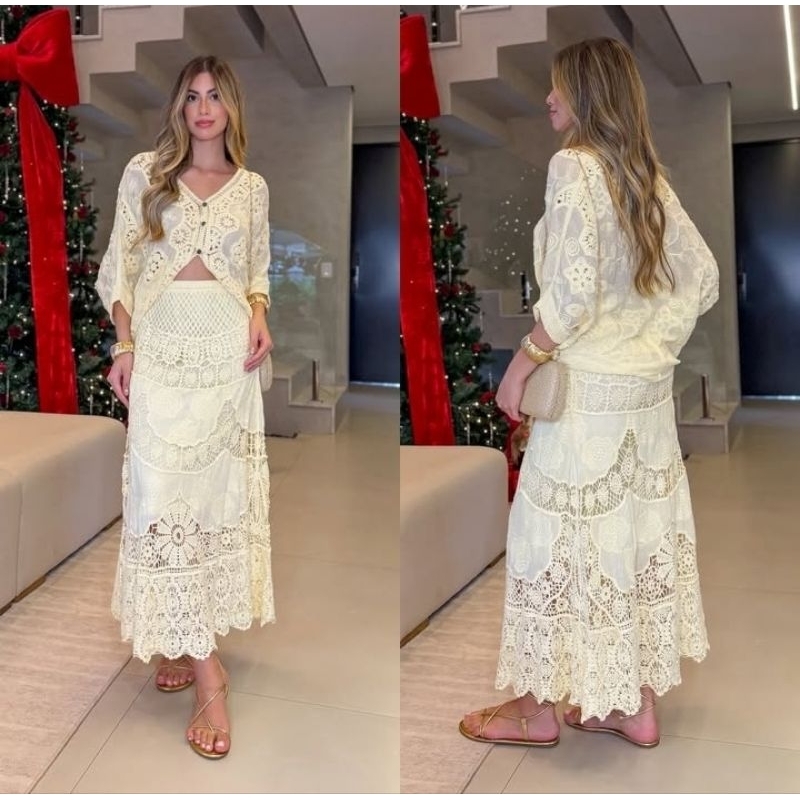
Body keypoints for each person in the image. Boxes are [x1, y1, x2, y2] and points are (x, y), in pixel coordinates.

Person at [460, 37, 718, 749]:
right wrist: (649, 345)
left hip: (586, 399)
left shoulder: (573, 165)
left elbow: (571, 296)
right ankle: (632, 706)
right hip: (644, 400)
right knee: (628, 537)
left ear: (589, 94)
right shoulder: (647, 179)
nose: (548, 97)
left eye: (560, 86)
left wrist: (522, 365)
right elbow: (701, 280)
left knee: (550, 541)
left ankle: (538, 711)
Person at [96, 55, 275, 760]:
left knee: (208, 504)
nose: (203, 108)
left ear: (231, 108)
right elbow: (120, 267)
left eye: (215, 96)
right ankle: (201, 659)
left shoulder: (252, 187)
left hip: (225, 359)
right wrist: (124, 344)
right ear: (179, 106)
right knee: (158, 500)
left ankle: (199, 661)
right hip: (162, 354)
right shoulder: (145, 173)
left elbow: (256, 270)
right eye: (192, 96)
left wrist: (260, 313)